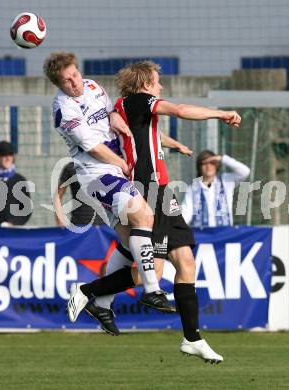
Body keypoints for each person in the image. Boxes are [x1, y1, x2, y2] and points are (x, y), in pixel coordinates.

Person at [84, 61, 241, 363]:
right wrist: (221, 113)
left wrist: (174, 144)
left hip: (163, 192)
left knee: (186, 262)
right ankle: (89, 291)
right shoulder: (140, 101)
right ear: (145, 84)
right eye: (157, 81)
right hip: (148, 191)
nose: (161, 86)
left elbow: (146, 137)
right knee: (148, 274)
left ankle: (192, 339)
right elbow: (181, 110)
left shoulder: (129, 107)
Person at [43, 52, 173, 320]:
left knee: (130, 246)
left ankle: (99, 301)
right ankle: (151, 290)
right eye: (66, 81)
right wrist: (123, 165)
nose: (74, 83)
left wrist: (114, 114)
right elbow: (93, 147)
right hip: (98, 174)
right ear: (58, 84)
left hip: (114, 171)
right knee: (145, 215)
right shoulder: (64, 109)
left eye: (75, 75)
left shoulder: (92, 86)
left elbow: (109, 112)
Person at [182, 150, 250, 227]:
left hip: (225, 235)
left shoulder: (226, 181)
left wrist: (221, 158)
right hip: (202, 236)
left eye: (211, 163)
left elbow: (245, 171)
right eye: (204, 164)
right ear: (199, 167)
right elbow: (185, 214)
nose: (208, 166)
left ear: (216, 165)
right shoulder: (192, 189)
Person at [0, 141, 32, 226]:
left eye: (10, 155)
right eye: (4, 155)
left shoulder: (20, 180)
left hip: (13, 232)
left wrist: (13, 223)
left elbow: (26, 209)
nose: (8, 158)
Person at [54, 161, 104, 227]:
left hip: (106, 227)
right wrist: (60, 222)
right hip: (79, 224)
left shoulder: (108, 167)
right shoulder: (72, 167)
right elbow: (57, 196)